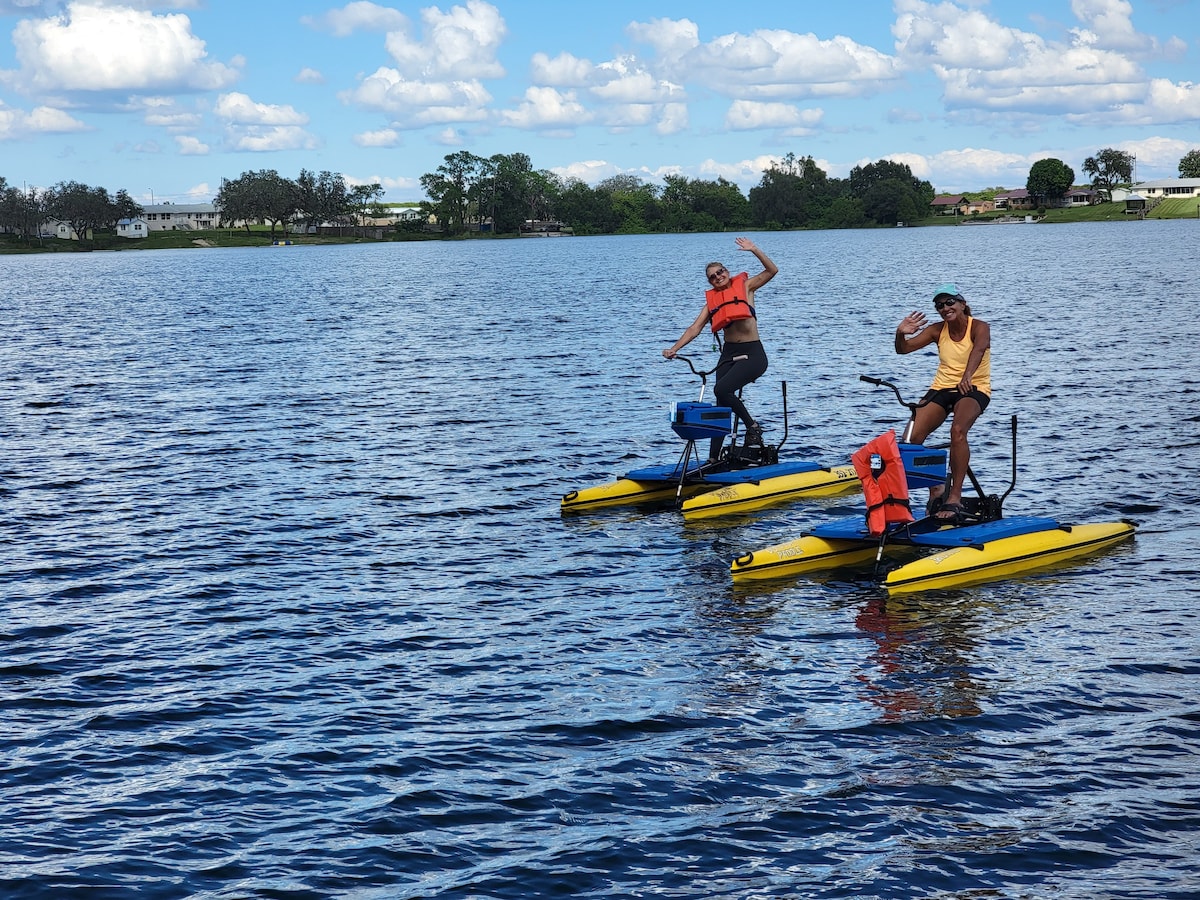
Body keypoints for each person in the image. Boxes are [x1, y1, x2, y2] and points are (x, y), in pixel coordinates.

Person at [663, 237, 778, 462]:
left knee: (720, 390)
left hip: (753, 354)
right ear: (710, 282)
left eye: (720, 272)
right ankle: (713, 458)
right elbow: (694, 328)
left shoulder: (746, 286)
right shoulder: (712, 302)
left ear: (727, 271)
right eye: (713, 277)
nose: (718, 277)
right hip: (728, 355)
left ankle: (752, 426)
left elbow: (772, 270)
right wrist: (674, 348)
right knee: (721, 403)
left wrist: (754, 249)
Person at [894, 283, 991, 520]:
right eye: (940, 305)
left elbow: (978, 350)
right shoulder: (938, 330)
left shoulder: (979, 327)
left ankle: (954, 496)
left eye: (949, 302)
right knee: (911, 438)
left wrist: (967, 376)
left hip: (974, 388)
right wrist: (900, 333)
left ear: (962, 304)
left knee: (957, 431)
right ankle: (936, 489)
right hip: (942, 388)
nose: (945, 308)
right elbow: (903, 350)